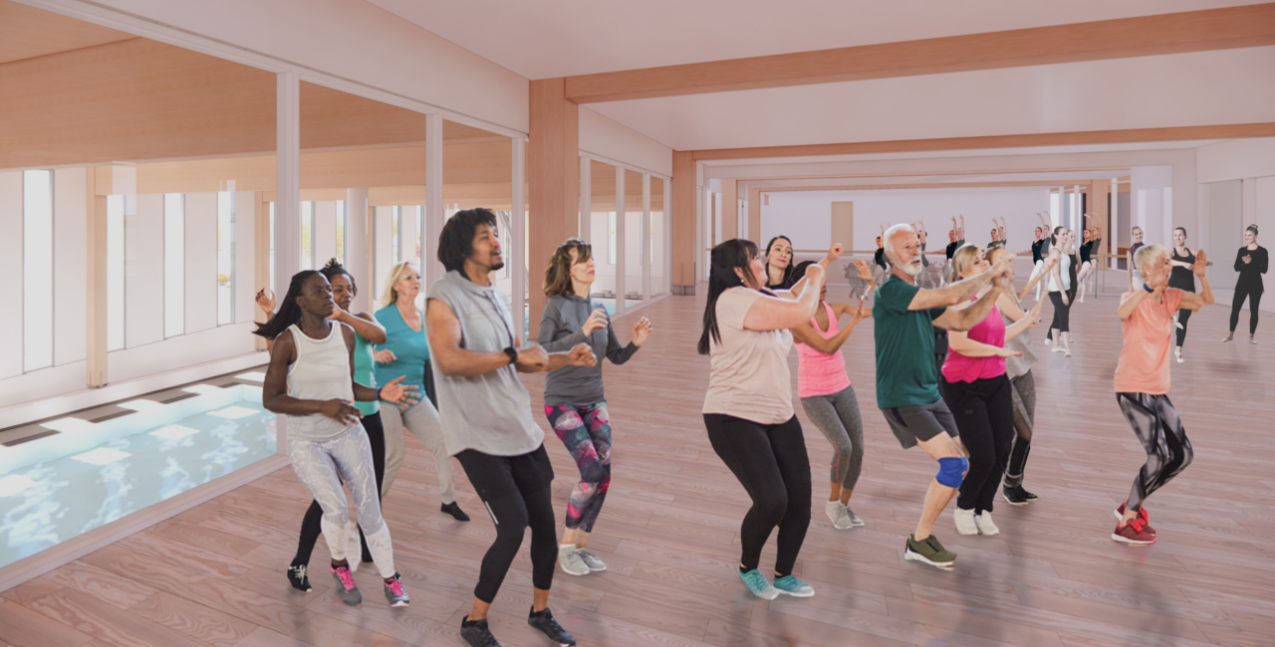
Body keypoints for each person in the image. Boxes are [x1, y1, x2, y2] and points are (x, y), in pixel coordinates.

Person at [425, 209, 596, 647]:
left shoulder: (497, 294)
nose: (496, 242)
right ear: (463, 248)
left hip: (517, 426)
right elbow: (449, 359)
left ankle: (541, 611)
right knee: (513, 524)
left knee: (543, 522)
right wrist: (509, 356)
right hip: (475, 435)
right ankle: (474, 621)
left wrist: (564, 357)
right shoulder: (444, 296)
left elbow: (521, 356)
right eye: (485, 236)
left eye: (496, 235)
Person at [257, 270, 416, 607]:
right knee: (337, 509)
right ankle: (340, 566)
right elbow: (271, 399)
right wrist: (322, 406)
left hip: (347, 432)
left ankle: (392, 581)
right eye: (319, 291)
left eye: (329, 289)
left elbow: (348, 388)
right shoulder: (288, 341)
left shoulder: (345, 333)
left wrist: (379, 393)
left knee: (371, 510)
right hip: (306, 441)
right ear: (300, 301)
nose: (328, 295)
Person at [699, 239, 841, 599]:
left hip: (779, 413)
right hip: (733, 416)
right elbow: (801, 309)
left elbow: (791, 295)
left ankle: (784, 574)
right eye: (756, 259)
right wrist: (816, 273)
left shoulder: (763, 297)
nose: (762, 263)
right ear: (737, 271)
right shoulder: (732, 300)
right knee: (772, 501)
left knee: (800, 500)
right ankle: (748, 566)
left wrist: (822, 262)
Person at [873, 224, 1012, 570]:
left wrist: (997, 289)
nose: (915, 251)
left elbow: (963, 317)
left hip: (929, 392)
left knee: (964, 460)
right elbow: (952, 296)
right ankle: (919, 540)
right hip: (902, 395)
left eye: (917, 245)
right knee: (954, 464)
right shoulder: (891, 292)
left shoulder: (919, 294)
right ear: (890, 256)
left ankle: (927, 534)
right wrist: (992, 271)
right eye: (906, 247)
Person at [537, 238, 652, 576]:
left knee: (604, 476)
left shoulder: (599, 308)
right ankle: (566, 548)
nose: (591, 263)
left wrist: (635, 344)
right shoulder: (554, 306)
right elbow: (542, 352)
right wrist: (580, 334)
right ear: (567, 269)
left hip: (595, 399)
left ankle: (580, 547)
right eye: (582, 259)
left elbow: (614, 356)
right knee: (591, 472)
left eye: (590, 258)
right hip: (561, 403)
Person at [1112, 245, 1213, 544]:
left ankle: (1133, 504)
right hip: (1131, 388)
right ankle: (1126, 522)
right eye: (1162, 265)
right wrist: (1147, 288)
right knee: (1158, 456)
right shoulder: (1132, 297)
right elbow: (1122, 312)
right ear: (1146, 271)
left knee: (1182, 456)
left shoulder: (1171, 297)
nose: (1169, 268)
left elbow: (1206, 300)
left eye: (1168, 264)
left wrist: (1202, 276)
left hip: (1157, 390)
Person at [941, 245, 1039, 536]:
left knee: (1001, 450)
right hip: (964, 386)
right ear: (961, 271)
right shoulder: (956, 300)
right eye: (976, 261)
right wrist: (998, 350)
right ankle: (965, 505)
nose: (983, 263)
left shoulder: (989, 295)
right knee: (983, 455)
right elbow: (959, 345)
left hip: (995, 380)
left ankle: (984, 510)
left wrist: (1024, 322)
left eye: (983, 259)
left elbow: (999, 334)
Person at [373, 262, 469, 522]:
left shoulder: (425, 317)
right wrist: (375, 352)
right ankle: (370, 509)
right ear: (395, 285)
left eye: (417, 276)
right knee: (394, 455)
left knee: (443, 442)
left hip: (416, 396)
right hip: (387, 397)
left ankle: (448, 501)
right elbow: (359, 349)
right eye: (408, 277)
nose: (415, 280)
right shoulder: (382, 317)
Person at [792, 259, 873, 530]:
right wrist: (855, 323)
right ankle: (832, 503)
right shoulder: (797, 321)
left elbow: (870, 310)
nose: (823, 286)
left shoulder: (833, 309)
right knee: (844, 447)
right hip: (814, 394)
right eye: (817, 281)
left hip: (842, 387)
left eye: (824, 280)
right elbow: (827, 347)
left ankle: (843, 507)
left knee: (859, 450)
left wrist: (871, 282)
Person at [994, 248, 1055, 505]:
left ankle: (1014, 484)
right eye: (1005, 258)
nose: (1011, 260)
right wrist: (1041, 302)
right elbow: (1027, 319)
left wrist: (1047, 270)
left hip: (1022, 366)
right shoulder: (995, 293)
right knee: (1023, 432)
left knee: (1026, 429)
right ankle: (1006, 483)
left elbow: (1021, 295)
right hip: (1003, 372)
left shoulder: (1007, 287)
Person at [1223, 225, 1266, 344]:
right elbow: (1236, 267)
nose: (1247, 237)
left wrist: (1251, 262)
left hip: (1256, 285)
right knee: (1235, 309)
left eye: (1250, 235)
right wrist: (1245, 264)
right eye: (1246, 235)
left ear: (1256, 236)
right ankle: (1230, 334)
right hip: (1242, 283)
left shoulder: (1262, 251)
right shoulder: (1241, 250)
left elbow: (1264, 269)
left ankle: (1251, 336)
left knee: (1254, 311)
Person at [1169, 227, 1196, 362]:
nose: (1177, 238)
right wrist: (1183, 264)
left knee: (1183, 321)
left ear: (1186, 237)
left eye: (1180, 235)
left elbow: (1205, 259)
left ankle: (1178, 350)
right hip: (1174, 290)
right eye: (1175, 235)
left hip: (1189, 291)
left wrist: (1207, 262)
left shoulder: (1191, 252)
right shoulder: (1171, 252)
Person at [1045, 227, 1073, 357]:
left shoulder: (1063, 251)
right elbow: (1055, 274)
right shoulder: (1056, 252)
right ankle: (1067, 349)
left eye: (1066, 234)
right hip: (1057, 291)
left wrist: (1067, 290)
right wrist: (1063, 293)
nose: (1065, 236)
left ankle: (1055, 346)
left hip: (1065, 289)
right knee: (1063, 318)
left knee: (1057, 317)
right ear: (1056, 236)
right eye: (1063, 234)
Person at [1127, 226, 1145, 290]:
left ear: (1143, 234)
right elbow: (1129, 269)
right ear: (1133, 236)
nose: (1139, 236)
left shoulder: (1147, 248)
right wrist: (1130, 284)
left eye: (1140, 233)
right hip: (1136, 276)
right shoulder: (1130, 250)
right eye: (1136, 234)